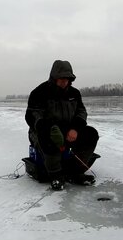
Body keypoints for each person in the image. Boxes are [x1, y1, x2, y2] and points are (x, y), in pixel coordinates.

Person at [25, 60, 99, 191]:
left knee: (91, 134)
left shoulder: (74, 93)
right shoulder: (40, 92)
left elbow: (81, 112)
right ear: (54, 77)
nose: (64, 81)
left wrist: (75, 128)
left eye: (67, 78)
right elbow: (32, 115)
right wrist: (47, 128)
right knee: (50, 136)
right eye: (61, 78)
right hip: (42, 132)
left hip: (68, 130)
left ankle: (75, 172)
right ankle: (56, 174)